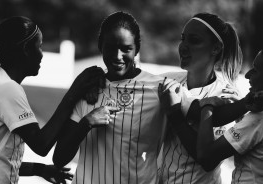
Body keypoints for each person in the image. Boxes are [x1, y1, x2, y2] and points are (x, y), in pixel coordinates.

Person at [0, 16, 104, 184]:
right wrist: (75, 94)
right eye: (39, 46)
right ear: (26, 49)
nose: (41, 54)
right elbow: (41, 145)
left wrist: (40, 169)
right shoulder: (6, 88)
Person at [52, 11, 168, 184]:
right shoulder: (88, 88)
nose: (117, 56)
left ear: (137, 48)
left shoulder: (159, 89)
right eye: (111, 47)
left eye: (126, 49)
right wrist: (87, 123)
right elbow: (59, 158)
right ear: (100, 46)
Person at [158, 12, 243, 184]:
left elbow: (208, 160)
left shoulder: (225, 96)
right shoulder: (167, 81)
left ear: (215, 48)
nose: (183, 46)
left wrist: (176, 114)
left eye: (194, 40)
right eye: (183, 39)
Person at [196, 50, 263, 183]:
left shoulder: (257, 119)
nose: (248, 75)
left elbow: (206, 157)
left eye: (255, 70)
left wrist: (207, 108)